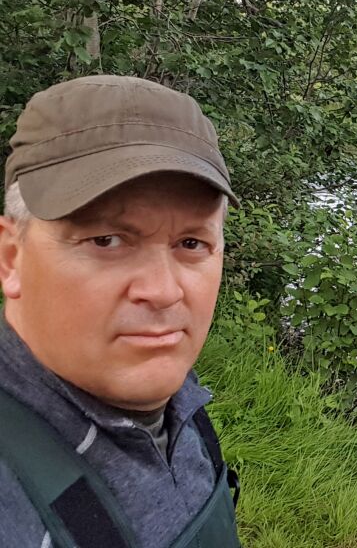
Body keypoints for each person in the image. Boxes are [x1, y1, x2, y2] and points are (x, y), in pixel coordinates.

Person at [0, 76, 242, 547]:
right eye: (106, 240)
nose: (163, 292)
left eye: (191, 243)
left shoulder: (181, 405)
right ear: (11, 257)